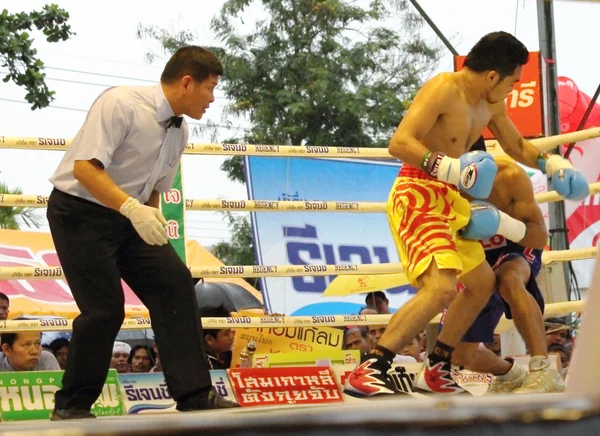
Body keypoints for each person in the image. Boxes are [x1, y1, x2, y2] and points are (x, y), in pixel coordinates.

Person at [344, 31, 589, 397]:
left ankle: (438, 367)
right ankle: (372, 366)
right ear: (493, 75)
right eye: (511, 82)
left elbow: (514, 143)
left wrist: (550, 163)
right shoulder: (444, 87)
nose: (512, 89)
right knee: (442, 287)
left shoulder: (491, 103)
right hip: (418, 191)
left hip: (453, 201)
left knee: (481, 284)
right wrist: (448, 168)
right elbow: (400, 142)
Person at [46, 45, 238, 419]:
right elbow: (85, 168)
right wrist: (132, 208)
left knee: (175, 282)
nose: (213, 99)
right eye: (211, 88)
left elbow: (152, 188)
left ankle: (195, 392)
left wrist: (153, 226)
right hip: (80, 212)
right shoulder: (122, 103)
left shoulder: (179, 132)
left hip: (129, 216)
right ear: (187, 82)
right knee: (104, 310)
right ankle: (72, 405)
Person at [449, 155, 564, 394]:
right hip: (474, 255)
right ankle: (508, 374)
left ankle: (543, 369)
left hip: (516, 246)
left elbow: (539, 237)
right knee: (456, 351)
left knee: (508, 281)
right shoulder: (441, 186)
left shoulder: (509, 176)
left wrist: (500, 224)